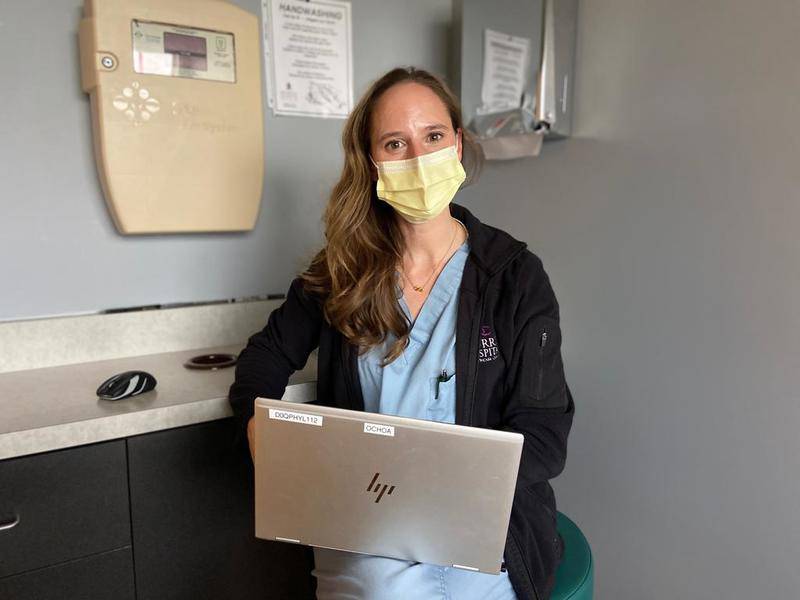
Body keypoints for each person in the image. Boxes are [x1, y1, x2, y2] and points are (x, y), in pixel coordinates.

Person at [228, 66, 574, 600]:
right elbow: (265, 357)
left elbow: (545, 436)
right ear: (372, 163)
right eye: (395, 143)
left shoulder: (513, 277)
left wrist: (443, 487)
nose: (418, 157)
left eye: (433, 136)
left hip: (478, 532)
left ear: (457, 143)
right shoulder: (343, 271)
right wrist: (257, 421)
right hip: (364, 527)